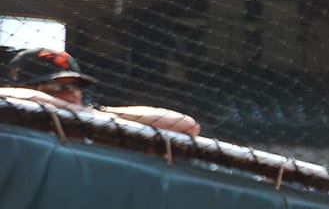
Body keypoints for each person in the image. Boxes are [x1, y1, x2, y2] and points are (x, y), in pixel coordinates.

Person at [1, 48, 200, 136]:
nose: (71, 94)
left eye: (74, 87)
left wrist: (91, 113)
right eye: (56, 87)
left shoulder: (92, 120)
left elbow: (187, 126)